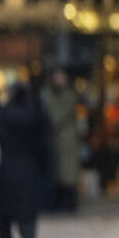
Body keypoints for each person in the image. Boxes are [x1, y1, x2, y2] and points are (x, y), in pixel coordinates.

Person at [0, 82, 50, 238]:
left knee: (4, 225)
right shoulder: (35, 115)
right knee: (28, 221)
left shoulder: (2, 114)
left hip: (4, 173)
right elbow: (44, 146)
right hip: (28, 173)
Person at [39, 67, 81, 212]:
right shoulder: (51, 93)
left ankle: (69, 203)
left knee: (68, 174)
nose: (58, 79)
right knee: (59, 174)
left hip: (67, 141)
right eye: (56, 76)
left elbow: (56, 115)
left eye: (60, 76)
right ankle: (60, 203)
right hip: (56, 141)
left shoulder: (68, 95)